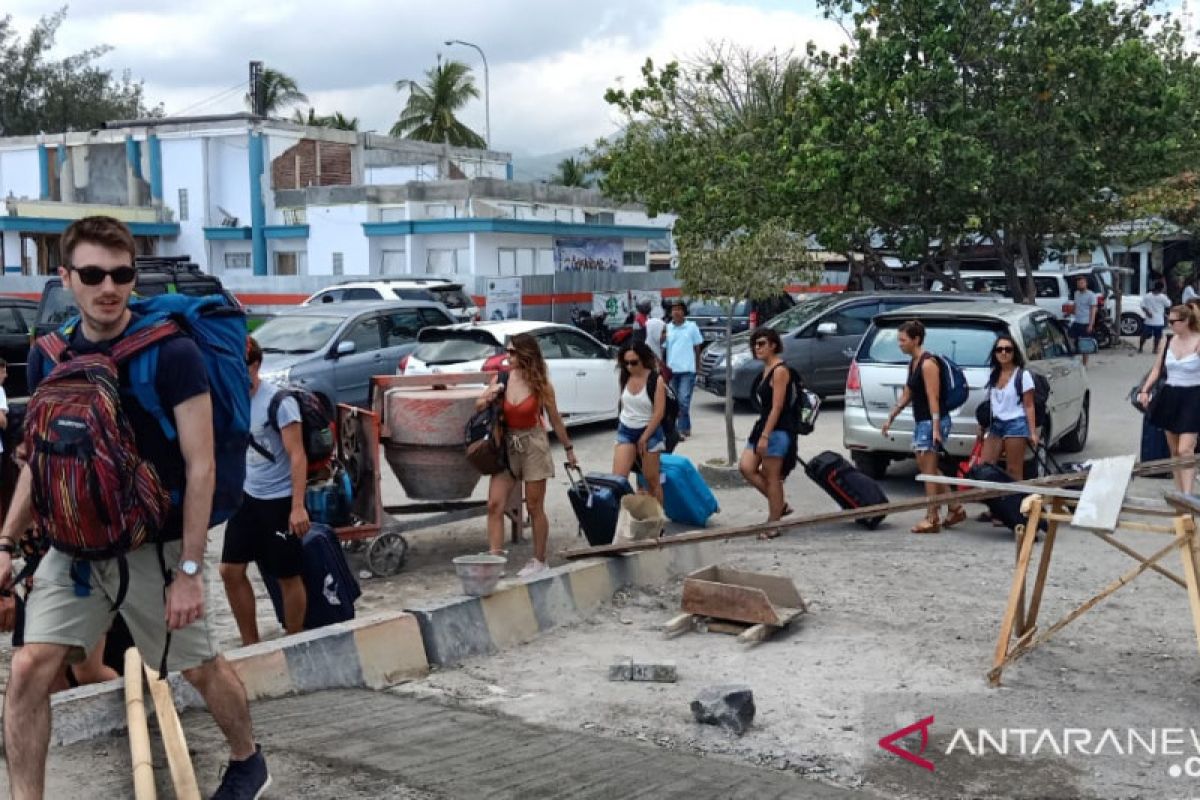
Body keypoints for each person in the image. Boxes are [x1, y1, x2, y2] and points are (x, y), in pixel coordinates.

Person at [0, 216, 267, 799]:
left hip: (157, 547)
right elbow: (36, 459)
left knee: (199, 668)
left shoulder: (171, 356)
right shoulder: (49, 355)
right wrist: (5, 540)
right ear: (66, 276)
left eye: (121, 274)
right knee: (26, 673)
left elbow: (203, 467)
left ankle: (248, 760)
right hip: (72, 552)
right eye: (93, 274)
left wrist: (191, 572)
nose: (108, 288)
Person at [219, 336, 309, 646]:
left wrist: (298, 507)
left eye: (239, 366)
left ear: (255, 365)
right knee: (230, 571)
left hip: (279, 500)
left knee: (286, 575)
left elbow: (297, 455)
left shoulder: (280, 403)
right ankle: (250, 643)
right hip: (247, 498)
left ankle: (293, 639)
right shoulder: (233, 399)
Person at [477, 333, 577, 578]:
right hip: (507, 444)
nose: (508, 357)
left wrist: (568, 449)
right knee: (494, 503)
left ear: (526, 354)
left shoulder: (540, 383)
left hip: (533, 443)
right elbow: (478, 405)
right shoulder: (501, 378)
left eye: (513, 352)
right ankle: (495, 557)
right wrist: (489, 395)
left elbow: (555, 419)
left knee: (534, 506)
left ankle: (539, 559)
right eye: (507, 352)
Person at [881, 320, 967, 534]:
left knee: (928, 471)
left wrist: (936, 427)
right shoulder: (914, 362)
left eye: (903, 340)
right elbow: (909, 392)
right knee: (928, 468)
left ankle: (932, 517)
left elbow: (933, 396)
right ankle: (955, 507)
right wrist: (892, 415)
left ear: (916, 339)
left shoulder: (928, 364)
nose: (900, 344)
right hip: (922, 421)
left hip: (931, 421)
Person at [738, 328, 797, 537]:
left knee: (773, 477)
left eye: (762, 343)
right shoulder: (766, 368)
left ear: (773, 345)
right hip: (762, 426)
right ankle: (779, 505)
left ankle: (774, 524)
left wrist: (766, 435)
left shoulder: (780, 370)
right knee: (746, 467)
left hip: (777, 429)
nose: (757, 348)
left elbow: (777, 406)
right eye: (755, 344)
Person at [1137, 304, 1200, 494]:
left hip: (1193, 396)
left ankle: (1187, 497)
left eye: (1174, 321)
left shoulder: (1198, 341)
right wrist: (1145, 390)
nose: (1170, 324)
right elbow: (1157, 369)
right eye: (1169, 321)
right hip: (1170, 396)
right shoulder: (1168, 340)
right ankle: (1180, 495)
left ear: (1186, 321)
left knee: (1186, 450)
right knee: (1174, 451)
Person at [611, 342, 666, 504]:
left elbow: (658, 413)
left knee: (651, 480)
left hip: (650, 431)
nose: (629, 367)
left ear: (643, 360)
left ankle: (657, 521)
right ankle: (622, 517)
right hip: (626, 430)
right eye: (625, 363)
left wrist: (644, 437)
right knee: (617, 480)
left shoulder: (656, 380)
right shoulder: (625, 376)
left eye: (634, 362)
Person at [980, 335, 1039, 482]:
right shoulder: (994, 375)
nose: (1003, 353)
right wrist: (982, 427)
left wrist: (1032, 433)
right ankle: (996, 503)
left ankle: (1016, 503)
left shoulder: (1022, 375)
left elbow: (1029, 405)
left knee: (1013, 471)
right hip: (996, 425)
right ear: (995, 353)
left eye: (1008, 349)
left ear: (1014, 353)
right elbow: (991, 404)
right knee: (985, 469)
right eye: (999, 349)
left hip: (1016, 424)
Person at [662, 301, 703, 440]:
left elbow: (697, 348)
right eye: (674, 309)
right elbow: (664, 348)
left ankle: (679, 430)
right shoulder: (667, 328)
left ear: (684, 312)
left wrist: (698, 366)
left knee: (684, 401)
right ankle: (686, 427)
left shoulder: (691, 327)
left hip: (687, 370)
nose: (676, 312)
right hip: (672, 371)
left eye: (679, 309)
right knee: (675, 402)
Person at [1069, 275, 1098, 367]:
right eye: (1078, 283)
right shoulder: (1076, 293)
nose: (1080, 285)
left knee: (1085, 344)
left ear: (1086, 283)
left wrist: (1091, 325)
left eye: (1082, 283)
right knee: (1070, 339)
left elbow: (1093, 310)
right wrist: (1071, 312)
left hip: (1086, 322)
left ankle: (1084, 365)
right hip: (1076, 321)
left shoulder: (1091, 295)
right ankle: (1073, 359)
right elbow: (1075, 305)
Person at [1139, 281, 1172, 355]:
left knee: (1144, 335)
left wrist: (1147, 312)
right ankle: (1155, 349)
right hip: (1159, 321)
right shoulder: (1163, 297)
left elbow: (1142, 305)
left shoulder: (1147, 296)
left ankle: (1140, 348)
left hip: (1148, 321)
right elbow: (1168, 304)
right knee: (1157, 337)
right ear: (1161, 288)